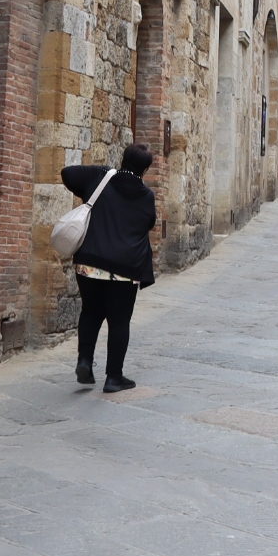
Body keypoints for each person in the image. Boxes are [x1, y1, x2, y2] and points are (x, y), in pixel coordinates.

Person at [60, 143, 158, 392]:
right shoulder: (145, 195)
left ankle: (84, 361)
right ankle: (114, 377)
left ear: (123, 159)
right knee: (119, 321)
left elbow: (68, 173)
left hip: (90, 263)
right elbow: (149, 223)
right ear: (145, 169)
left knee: (91, 312)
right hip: (124, 269)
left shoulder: (100, 177)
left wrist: (103, 171)